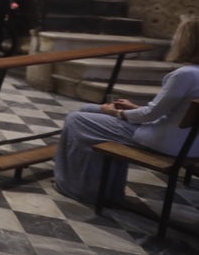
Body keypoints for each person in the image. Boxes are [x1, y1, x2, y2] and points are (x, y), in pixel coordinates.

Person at [54, 15, 199, 204]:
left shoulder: (185, 75)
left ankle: (81, 189)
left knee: (76, 119)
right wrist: (134, 109)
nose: (174, 40)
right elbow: (172, 111)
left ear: (187, 42)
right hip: (189, 142)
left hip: (166, 142)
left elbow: (150, 115)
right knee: (88, 109)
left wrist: (117, 113)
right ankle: (103, 187)